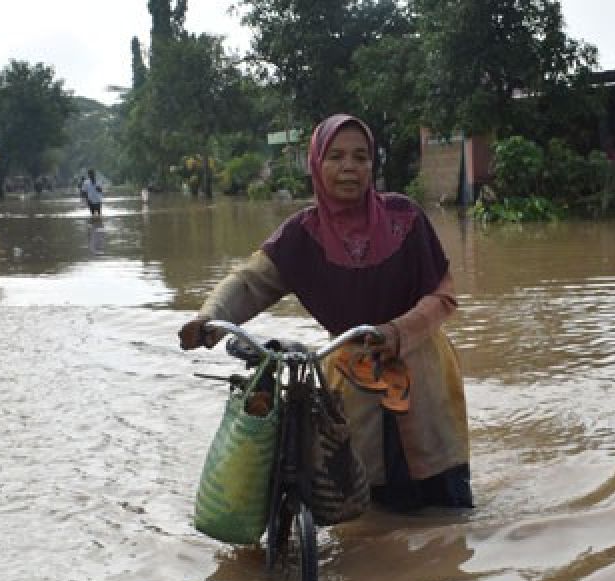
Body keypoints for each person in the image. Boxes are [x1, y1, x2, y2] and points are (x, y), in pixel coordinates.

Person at [178, 113, 473, 511]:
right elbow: (250, 282)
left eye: (361, 156)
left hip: (422, 370)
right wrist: (208, 319)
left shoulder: (405, 218)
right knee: (367, 507)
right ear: (316, 164)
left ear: (373, 164)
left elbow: (443, 296)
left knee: (445, 505)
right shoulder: (301, 235)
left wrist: (396, 331)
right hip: (351, 377)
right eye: (336, 156)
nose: (349, 167)